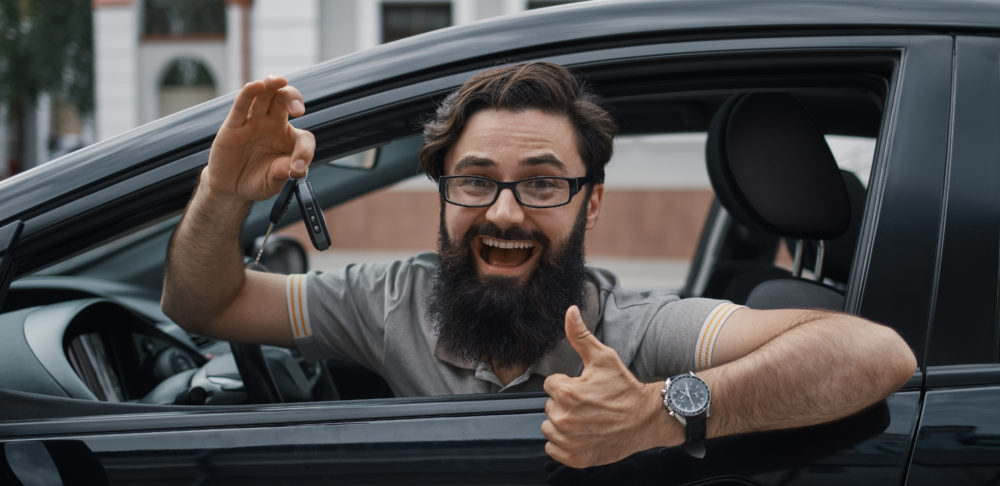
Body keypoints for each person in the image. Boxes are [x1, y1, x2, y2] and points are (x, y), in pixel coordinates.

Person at [161, 62, 916, 468]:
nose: (506, 212)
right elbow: (205, 305)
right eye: (476, 179)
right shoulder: (388, 300)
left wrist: (657, 413)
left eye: (544, 183)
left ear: (589, 205)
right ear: (446, 196)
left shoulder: (633, 327)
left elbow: (873, 352)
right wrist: (223, 191)